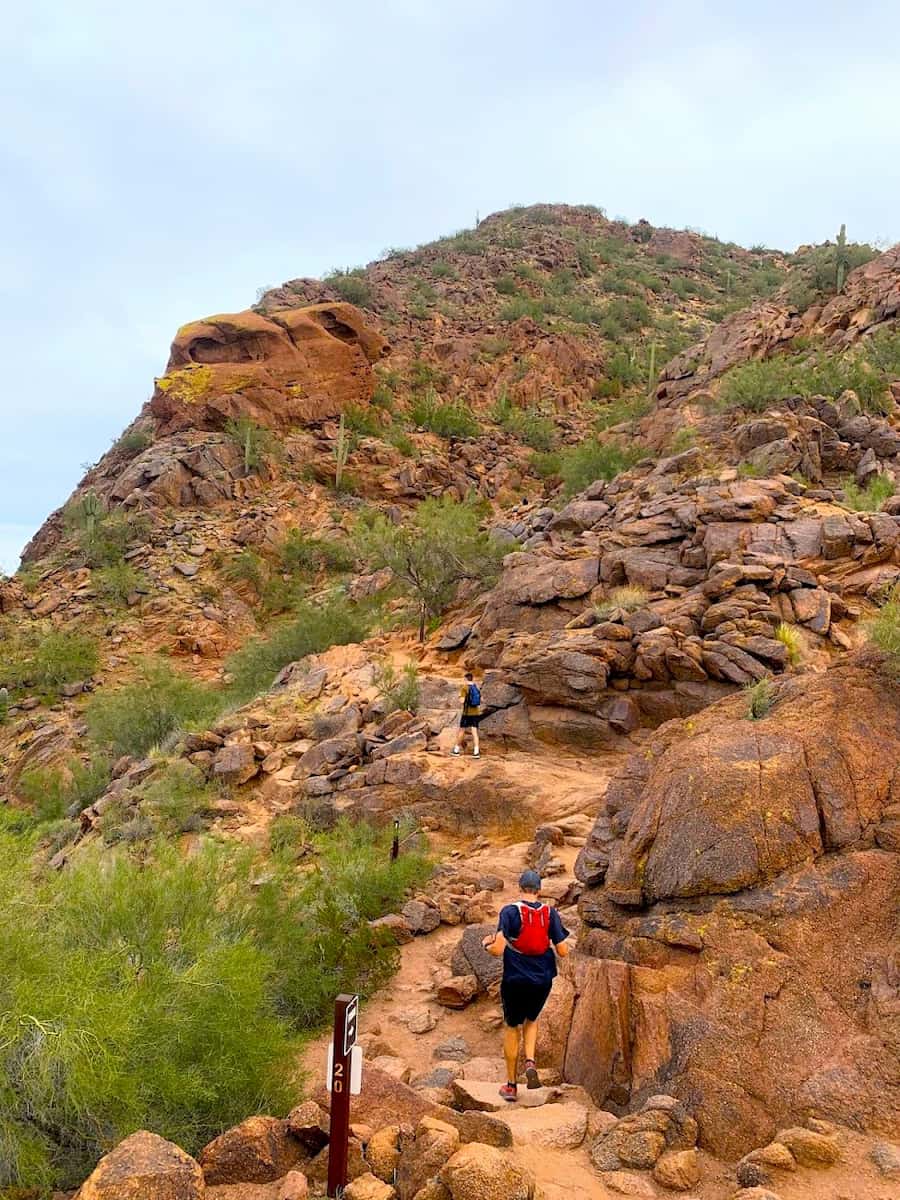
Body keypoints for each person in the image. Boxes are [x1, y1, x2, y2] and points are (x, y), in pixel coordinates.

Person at [482, 869, 570, 1101]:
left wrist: (486, 944)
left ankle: (511, 1086)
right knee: (532, 1020)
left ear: (519, 888)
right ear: (539, 891)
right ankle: (530, 1061)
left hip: (515, 979)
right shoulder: (551, 913)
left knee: (513, 1026)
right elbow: (563, 950)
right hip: (542, 979)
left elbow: (498, 950)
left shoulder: (510, 912)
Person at [452, 670, 481, 758]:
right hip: (475, 713)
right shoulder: (476, 687)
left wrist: (460, 697)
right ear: (472, 679)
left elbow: (462, 701)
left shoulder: (464, 688)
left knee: (462, 731)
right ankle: (476, 752)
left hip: (467, 713)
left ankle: (456, 750)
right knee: (474, 732)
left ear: (465, 679)